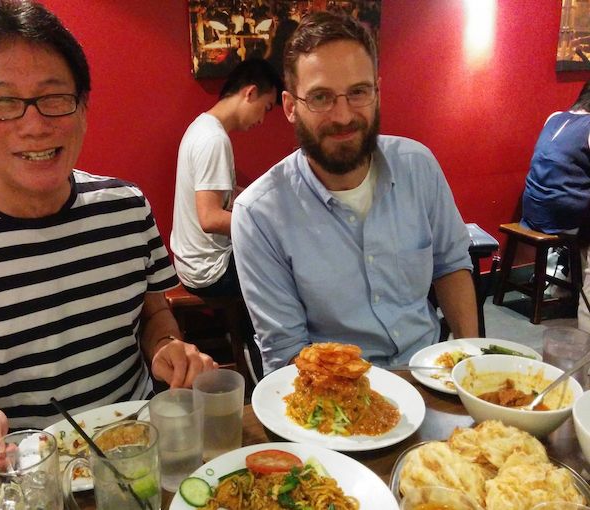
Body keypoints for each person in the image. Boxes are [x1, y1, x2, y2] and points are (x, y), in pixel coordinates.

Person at [0, 0, 217, 494]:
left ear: (83, 106)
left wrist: (166, 348)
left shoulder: (125, 206)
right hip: (17, 473)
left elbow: (154, 312)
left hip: (135, 456)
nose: (35, 125)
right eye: (2, 102)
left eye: (54, 97)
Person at [231, 11, 477, 374]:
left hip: (428, 373)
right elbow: (288, 353)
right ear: (290, 107)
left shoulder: (418, 166)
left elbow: (451, 265)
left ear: (377, 92)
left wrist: (470, 366)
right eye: (321, 97)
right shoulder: (258, 215)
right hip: (337, 392)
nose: (344, 116)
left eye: (358, 92)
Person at [171, 58, 282, 300]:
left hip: (191, 264)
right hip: (211, 272)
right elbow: (210, 218)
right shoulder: (214, 139)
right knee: (287, 267)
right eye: (266, 108)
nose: (262, 120)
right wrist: (267, 225)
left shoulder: (201, 126)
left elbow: (221, 197)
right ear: (250, 93)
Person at [521, 81, 590, 331]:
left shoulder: (555, 117)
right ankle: (586, 311)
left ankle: (568, 281)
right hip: (561, 214)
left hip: (533, 209)